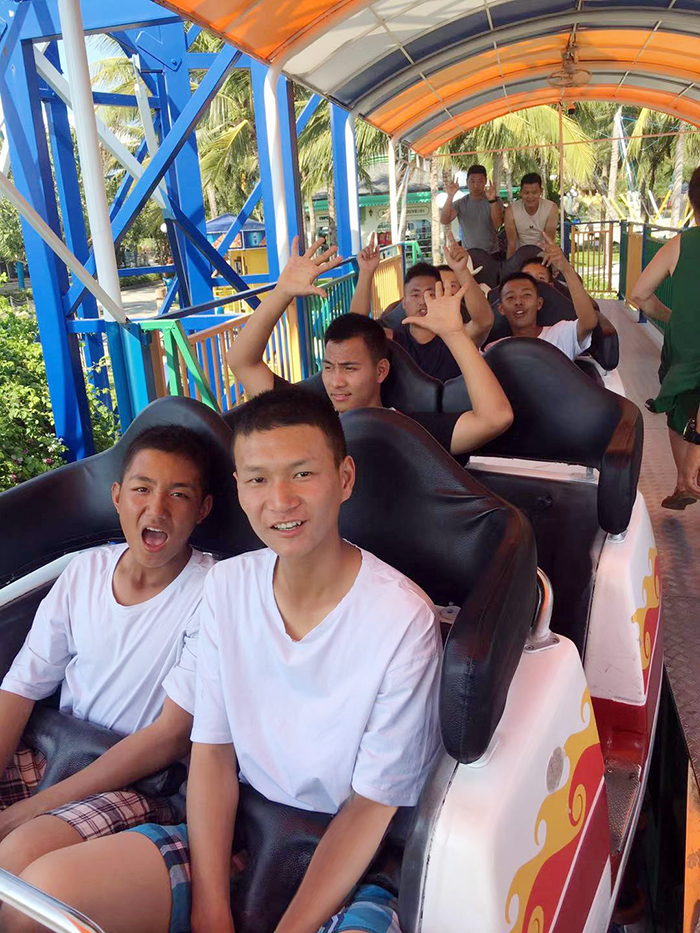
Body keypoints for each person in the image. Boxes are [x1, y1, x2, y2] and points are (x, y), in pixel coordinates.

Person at [4, 388, 443, 933]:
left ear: (344, 478)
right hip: (237, 830)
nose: (280, 500)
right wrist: (210, 910)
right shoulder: (228, 587)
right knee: (38, 898)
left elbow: (369, 808)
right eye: (258, 479)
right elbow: (211, 754)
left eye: (303, 474)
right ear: (239, 488)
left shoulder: (402, 619)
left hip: (346, 856)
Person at [0, 426, 215, 880]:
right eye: (142, 489)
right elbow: (22, 685)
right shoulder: (85, 571)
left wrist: (33, 809)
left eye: (178, 495)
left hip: (140, 781)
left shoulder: (214, 592)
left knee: (14, 858)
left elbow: (171, 734)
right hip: (58, 747)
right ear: (117, 496)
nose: (156, 508)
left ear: (203, 509)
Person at [226, 236, 512, 456]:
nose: (336, 382)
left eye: (350, 368)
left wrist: (453, 333)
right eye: (329, 368)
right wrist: (281, 293)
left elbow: (495, 418)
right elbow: (242, 362)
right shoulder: (310, 419)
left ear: (381, 371)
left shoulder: (408, 429)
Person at [630, 165, 700, 509]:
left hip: (686, 346)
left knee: (680, 405)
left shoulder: (680, 244)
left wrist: (674, 319)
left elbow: (639, 295)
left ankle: (684, 480)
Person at [350, 234, 493, 381]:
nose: (423, 301)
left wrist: (462, 270)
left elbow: (484, 322)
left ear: (441, 297)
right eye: (415, 295)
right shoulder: (392, 341)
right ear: (404, 303)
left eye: (430, 294)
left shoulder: (457, 337)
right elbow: (354, 331)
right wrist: (366, 272)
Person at [494, 235, 598, 361]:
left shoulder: (559, 334)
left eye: (526, 294)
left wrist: (566, 270)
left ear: (539, 302)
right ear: (501, 308)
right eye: (511, 297)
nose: (518, 302)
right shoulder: (496, 348)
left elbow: (588, 322)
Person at [440, 164, 503, 255]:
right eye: (472, 181)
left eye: (480, 181)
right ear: (467, 182)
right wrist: (450, 196)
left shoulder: (495, 200)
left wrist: (492, 200)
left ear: (485, 181)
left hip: (492, 253)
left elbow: (498, 224)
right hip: (468, 254)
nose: (476, 185)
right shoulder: (460, 203)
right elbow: (444, 220)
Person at [505, 173, 558, 257]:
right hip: (520, 256)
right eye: (526, 193)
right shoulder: (510, 210)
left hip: (543, 254)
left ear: (541, 192)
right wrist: (509, 264)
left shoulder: (551, 208)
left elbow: (549, 241)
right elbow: (512, 244)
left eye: (534, 192)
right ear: (521, 192)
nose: (530, 196)